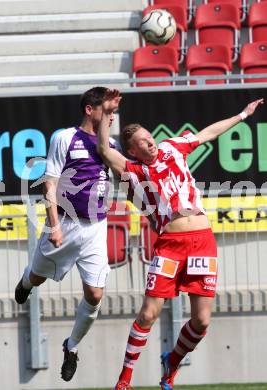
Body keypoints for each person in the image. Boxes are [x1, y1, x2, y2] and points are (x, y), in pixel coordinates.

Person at [96, 90, 263, 390]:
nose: (150, 142)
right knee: (149, 313)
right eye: (142, 142)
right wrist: (107, 114)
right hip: (170, 245)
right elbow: (105, 151)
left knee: (201, 322)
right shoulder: (134, 171)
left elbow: (207, 133)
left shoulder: (174, 147)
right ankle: (124, 380)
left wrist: (243, 115)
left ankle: (171, 362)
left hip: (202, 239)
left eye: (150, 137)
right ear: (133, 151)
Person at [14, 86, 118, 382]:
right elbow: (50, 184)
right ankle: (26, 280)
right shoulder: (64, 138)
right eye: (106, 110)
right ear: (89, 110)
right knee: (37, 276)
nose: (110, 116)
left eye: (113, 112)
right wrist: (55, 226)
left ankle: (71, 347)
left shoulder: (110, 145)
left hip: (96, 227)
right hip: (64, 223)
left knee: (95, 294)